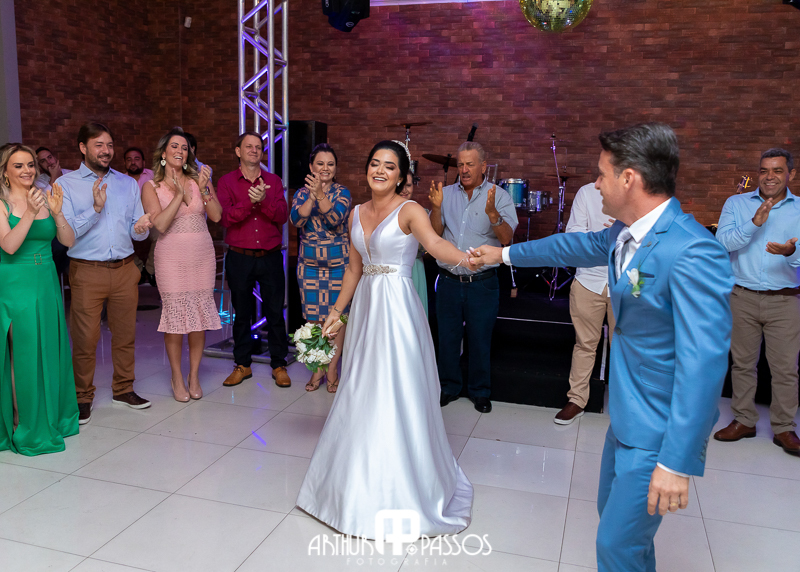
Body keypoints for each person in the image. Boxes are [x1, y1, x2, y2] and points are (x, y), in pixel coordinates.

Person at [470, 123, 733, 572]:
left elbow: (704, 366)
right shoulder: (623, 234)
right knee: (619, 530)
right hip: (626, 418)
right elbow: (572, 245)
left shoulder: (693, 251)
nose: (595, 184)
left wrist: (677, 462)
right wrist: (504, 255)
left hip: (658, 430)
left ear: (629, 178)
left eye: (601, 174)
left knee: (615, 545)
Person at [296, 141, 473, 539]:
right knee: (361, 387)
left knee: (396, 390)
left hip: (397, 310)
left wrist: (469, 258)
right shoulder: (356, 212)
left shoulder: (410, 210)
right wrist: (336, 311)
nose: (379, 170)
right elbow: (353, 270)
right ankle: (349, 486)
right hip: (366, 307)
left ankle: (402, 485)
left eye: (389, 166)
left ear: (401, 176)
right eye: (374, 163)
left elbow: (434, 245)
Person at [59, 122, 153, 425]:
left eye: (110, 145)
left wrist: (141, 228)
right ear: (82, 147)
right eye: (99, 144)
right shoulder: (66, 184)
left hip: (125, 269)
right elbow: (68, 234)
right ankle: (82, 396)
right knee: (85, 339)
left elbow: (135, 230)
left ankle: (123, 389)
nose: (106, 151)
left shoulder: (126, 183)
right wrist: (95, 208)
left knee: (125, 336)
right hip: (87, 271)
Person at [714, 148, 800, 456]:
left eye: (777, 170)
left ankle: (784, 428)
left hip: (785, 300)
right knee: (742, 364)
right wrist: (753, 223)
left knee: (785, 369)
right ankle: (744, 420)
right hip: (742, 297)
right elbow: (722, 243)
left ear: (790, 174)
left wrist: (791, 253)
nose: (769, 176)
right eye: (764, 170)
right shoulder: (736, 204)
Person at [0, 144, 79, 455]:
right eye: (18, 166)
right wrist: (31, 213)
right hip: (15, 283)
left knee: (49, 348)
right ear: (5, 171)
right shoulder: (2, 203)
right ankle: (23, 421)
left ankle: (50, 416)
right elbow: (8, 246)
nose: (27, 171)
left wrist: (57, 214)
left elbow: (68, 241)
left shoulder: (45, 197)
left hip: (46, 281)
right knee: (24, 353)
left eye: (30, 165)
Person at [429, 141, 518, 414]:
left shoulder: (499, 196)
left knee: (480, 339)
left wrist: (493, 215)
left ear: (483, 166)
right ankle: (449, 387)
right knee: (447, 338)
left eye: (470, 164)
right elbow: (434, 234)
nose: (464, 170)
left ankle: (480, 391)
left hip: (482, 283)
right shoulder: (445, 194)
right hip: (449, 281)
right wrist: (435, 208)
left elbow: (507, 239)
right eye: (460, 164)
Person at [141, 128, 222, 402]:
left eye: (185, 148)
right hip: (171, 257)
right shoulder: (151, 187)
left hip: (202, 255)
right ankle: (176, 376)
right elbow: (161, 225)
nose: (180, 151)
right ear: (164, 153)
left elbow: (216, 216)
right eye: (175, 146)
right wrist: (178, 194)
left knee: (198, 318)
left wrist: (205, 189)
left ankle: (194, 375)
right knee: (175, 319)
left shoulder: (199, 180)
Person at [217, 132, 291, 388]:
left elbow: (282, 215)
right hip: (240, 257)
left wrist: (264, 201)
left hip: (270, 256)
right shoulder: (226, 182)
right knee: (242, 314)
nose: (254, 150)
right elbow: (225, 218)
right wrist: (250, 202)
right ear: (238, 151)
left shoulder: (273, 180)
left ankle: (279, 364)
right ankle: (242, 364)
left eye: (258, 147)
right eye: (248, 146)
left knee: (275, 312)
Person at [290, 143, 351, 392]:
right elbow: (296, 220)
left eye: (330, 164)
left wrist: (321, 196)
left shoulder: (343, 192)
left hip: (339, 267)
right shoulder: (301, 193)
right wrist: (312, 196)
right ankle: (317, 369)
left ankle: (333, 368)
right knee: (314, 319)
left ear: (336, 168)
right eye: (320, 163)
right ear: (311, 167)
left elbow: (335, 219)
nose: (325, 168)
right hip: (309, 267)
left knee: (336, 319)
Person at [556, 182, 616, 424]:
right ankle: (576, 400)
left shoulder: (640, 190)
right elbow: (573, 235)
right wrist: (605, 238)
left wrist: (628, 232)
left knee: (626, 348)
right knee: (584, 344)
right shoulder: (587, 192)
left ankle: (629, 404)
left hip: (627, 282)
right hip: (588, 280)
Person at [124, 146, 157, 285]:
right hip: (129, 222)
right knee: (118, 239)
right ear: (125, 163)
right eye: (129, 159)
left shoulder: (154, 176)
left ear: (143, 162)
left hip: (151, 219)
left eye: (136, 159)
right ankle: (139, 267)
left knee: (162, 235)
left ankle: (151, 270)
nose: (133, 162)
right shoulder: (120, 180)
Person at [399, 170, 429, 317]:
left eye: (409, 185)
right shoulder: (382, 212)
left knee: (413, 317)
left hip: (414, 267)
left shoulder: (421, 212)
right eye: (401, 185)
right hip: (389, 271)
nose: (405, 190)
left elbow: (426, 246)